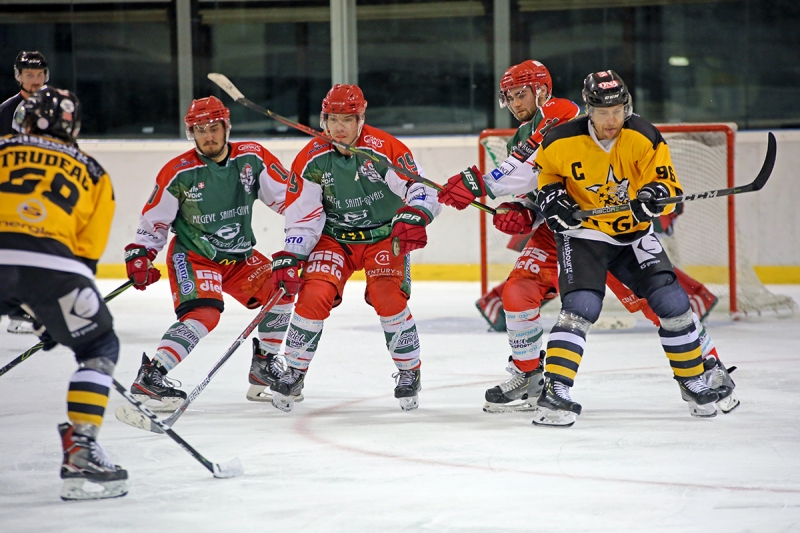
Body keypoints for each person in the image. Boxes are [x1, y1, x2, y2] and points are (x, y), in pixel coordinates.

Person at [531, 70, 737, 427]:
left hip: (634, 234)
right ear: (588, 110)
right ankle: (556, 391)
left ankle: (691, 380)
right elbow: (546, 177)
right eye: (603, 112)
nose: (612, 120)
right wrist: (552, 198)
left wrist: (654, 198)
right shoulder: (560, 140)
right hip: (586, 234)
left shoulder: (643, 136)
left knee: (673, 303)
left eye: (618, 110)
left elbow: (667, 187)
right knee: (581, 305)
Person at [267, 84, 441, 412]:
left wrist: (416, 214)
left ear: (361, 118)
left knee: (387, 295)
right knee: (314, 292)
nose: (339, 128)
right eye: (333, 119)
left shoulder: (384, 148)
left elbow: (418, 187)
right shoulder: (311, 158)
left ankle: (408, 371)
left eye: (348, 119)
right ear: (323, 120)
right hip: (336, 239)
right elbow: (303, 216)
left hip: (382, 237)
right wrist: (293, 255)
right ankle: (294, 370)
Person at [125, 95, 294, 410]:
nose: (208, 135)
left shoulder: (252, 158)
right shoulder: (179, 172)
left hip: (239, 256)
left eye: (214, 127)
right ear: (192, 133)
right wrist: (141, 253)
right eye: (200, 129)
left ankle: (264, 365)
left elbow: (290, 201)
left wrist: (313, 229)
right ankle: (151, 376)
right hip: (194, 255)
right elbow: (154, 220)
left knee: (282, 288)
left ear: (226, 127)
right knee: (204, 315)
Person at [0, 87, 127, 500]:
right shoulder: (92, 170)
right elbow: (86, 256)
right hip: (54, 271)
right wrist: (53, 315)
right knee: (98, 343)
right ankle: (82, 451)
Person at [0, 51, 49, 335]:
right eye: (29, 75)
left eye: (39, 74)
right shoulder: (6, 111)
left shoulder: (56, 108)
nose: (35, 80)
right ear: (18, 76)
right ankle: (18, 312)